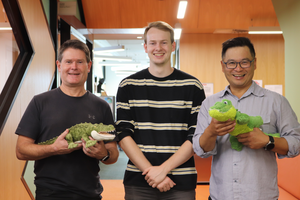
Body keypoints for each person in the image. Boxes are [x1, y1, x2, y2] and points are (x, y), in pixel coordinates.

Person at [192, 37, 300, 200]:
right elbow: (201, 151)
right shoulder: (210, 104)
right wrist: (211, 132)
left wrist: (267, 141)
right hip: (220, 196)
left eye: (244, 62)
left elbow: (296, 143)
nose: (238, 68)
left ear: (254, 63)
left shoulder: (276, 102)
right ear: (223, 66)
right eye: (231, 63)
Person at [15, 39, 119, 200]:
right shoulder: (40, 102)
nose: (74, 67)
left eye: (80, 62)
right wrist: (54, 148)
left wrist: (103, 154)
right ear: (59, 65)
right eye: (68, 61)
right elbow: (21, 150)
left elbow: (113, 155)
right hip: (49, 193)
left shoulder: (102, 106)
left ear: (89, 66)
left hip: (90, 193)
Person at [116, 21, 206, 200]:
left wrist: (162, 170)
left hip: (181, 182)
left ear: (173, 46)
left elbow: (196, 135)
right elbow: (124, 134)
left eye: (164, 42)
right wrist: (152, 173)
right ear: (145, 47)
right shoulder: (128, 85)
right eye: (153, 43)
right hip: (139, 181)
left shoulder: (192, 86)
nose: (158, 48)